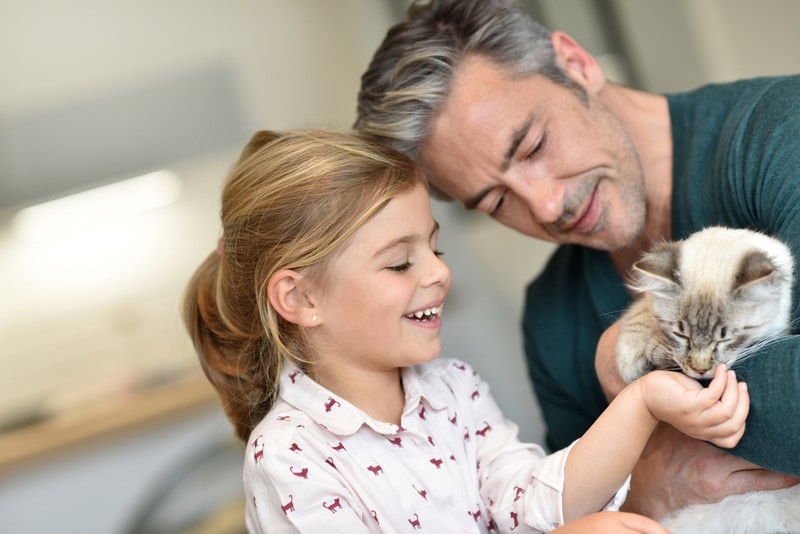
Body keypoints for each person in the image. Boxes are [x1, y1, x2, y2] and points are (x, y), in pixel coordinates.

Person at [354, 0, 800, 521]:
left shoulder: (779, 136)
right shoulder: (551, 318)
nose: (545, 207)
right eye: (496, 202)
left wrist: (632, 370)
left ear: (576, 63)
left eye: (534, 145)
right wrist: (646, 491)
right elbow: (570, 518)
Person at [181, 128, 749, 533]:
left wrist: (646, 401)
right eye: (400, 263)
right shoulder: (287, 456)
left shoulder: (453, 390)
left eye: (435, 245)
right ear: (301, 298)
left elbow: (531, 502)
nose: (438, 272)